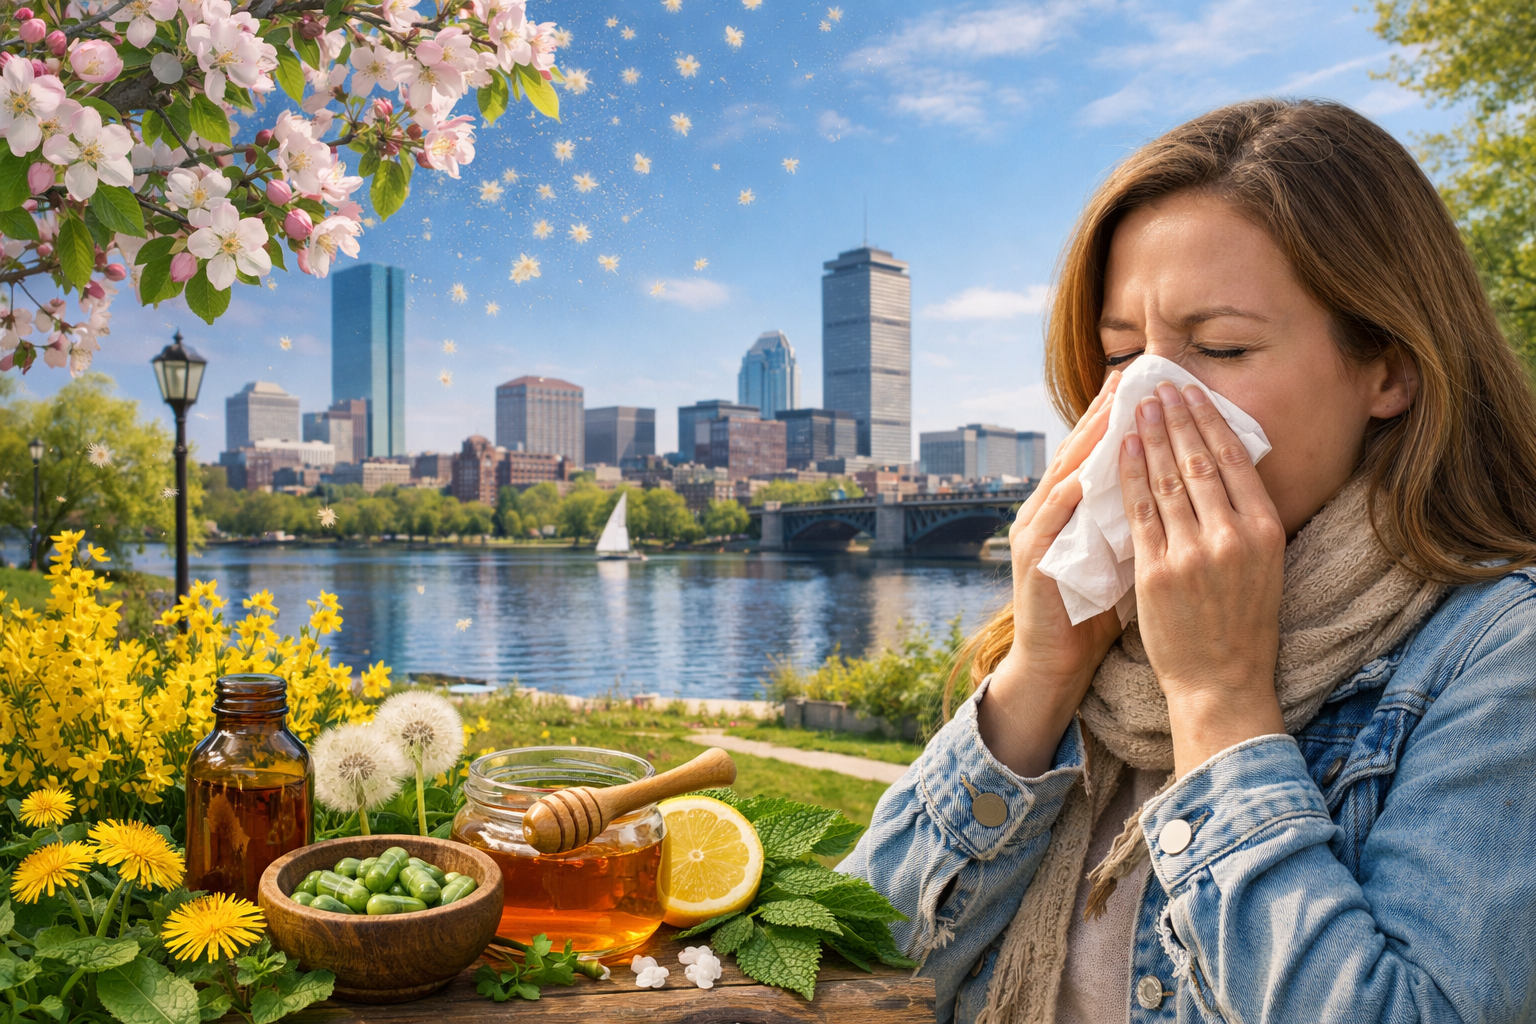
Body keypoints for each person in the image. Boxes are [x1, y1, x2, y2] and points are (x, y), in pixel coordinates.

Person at [839, 98, 1536, 1024]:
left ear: (1390, 371)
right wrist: (1041, 670)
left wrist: (1218, 700)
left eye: (1219, 349)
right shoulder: (1099, 638)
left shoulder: (1500, 652)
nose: (1148, 402)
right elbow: (844, 967)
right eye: (1122, 355)